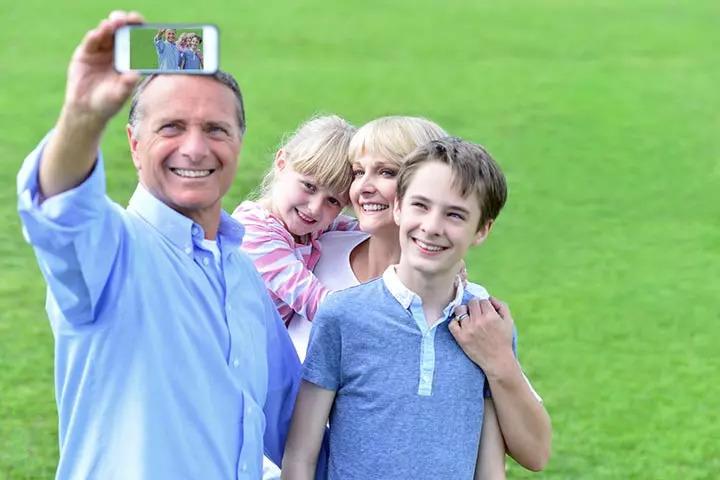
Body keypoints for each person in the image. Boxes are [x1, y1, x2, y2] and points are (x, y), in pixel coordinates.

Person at [16, 12, 307, 479]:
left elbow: (296, 422)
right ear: (134, 144)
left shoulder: (243, 274)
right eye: (171, 127)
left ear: (239, 143)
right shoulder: (112, 251)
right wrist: (82, 117)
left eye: (216, 129)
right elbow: (63, 211)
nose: (195, 148)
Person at [287, 116, 552, 470]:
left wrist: (498, 358)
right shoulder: (322, 271)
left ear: (481, 229)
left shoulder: (479, 320)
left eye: (385, 171)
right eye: (357, 171)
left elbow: (502, 456)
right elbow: (299, 455)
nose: (431, 226)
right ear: (403, 205)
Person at [232, 115, 358, 326]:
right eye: (309, 186)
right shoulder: (254, 232)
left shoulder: (310, 228)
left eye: (333, 200)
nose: (315, 208)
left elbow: (369, 228)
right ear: (281, 164)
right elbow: (315, 303)